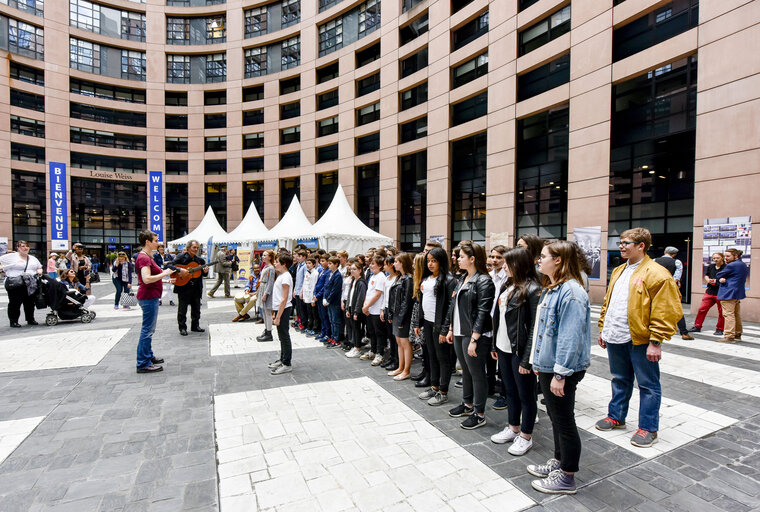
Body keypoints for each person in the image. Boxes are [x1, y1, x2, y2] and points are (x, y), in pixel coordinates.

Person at [596, 228, 682, 448]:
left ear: (641, 245)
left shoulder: (657, 273)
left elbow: (665, 310)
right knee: (619, 379)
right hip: (616, 336)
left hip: (641, 340)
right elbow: (609, 302)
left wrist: (656, 341)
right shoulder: (618, 271)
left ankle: (648, 428)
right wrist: (604, 329)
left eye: (626, 243)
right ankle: (616, 416)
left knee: (648, 385)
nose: (621, 246)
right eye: (620, 242)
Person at [527, 241, 591, 495]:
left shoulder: (572, 292)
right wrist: (538, 362)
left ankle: (567, 475)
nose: (538, 261)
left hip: (562, 368)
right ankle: (559, 461)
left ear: (559, 261)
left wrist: (560, 374)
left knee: (564, 420)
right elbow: (543, 332)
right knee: (554, 417)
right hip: (548, 365)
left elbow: (569, 337)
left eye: (543, 257)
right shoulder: (553, 288)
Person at [490, 247, 541, 456]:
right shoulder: (507, 285)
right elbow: (499, 319)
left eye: (508, 263)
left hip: (520, 351)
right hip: (503, 347)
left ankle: (526, 435)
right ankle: (513, 427)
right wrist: (495, 344)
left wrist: (527, 359)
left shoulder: (533, 289)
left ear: (519, 264)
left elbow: (534, 329)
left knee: (526, 395)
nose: (504, 266)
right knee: (509, 390)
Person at [446, 241, 496, 430]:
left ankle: (479, 413)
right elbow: (455, 307)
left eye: (461, 257)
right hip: (460, 331)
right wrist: (451, 328)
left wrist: (475, 339)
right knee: (465, 371)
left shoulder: (484, 281)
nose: (458, 259)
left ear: (473, 259)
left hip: (474, 334)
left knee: (477, 373)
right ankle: (467, 404)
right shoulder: (463, 278)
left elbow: (483, 312)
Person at [415, 247, 458, 402]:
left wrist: (445, 329)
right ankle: (434, 386)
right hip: (427, 322)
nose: (430, 264)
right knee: (431, 356)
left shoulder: (448, 280)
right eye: (428, 261)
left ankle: (443, 391)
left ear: (441, 262)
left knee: (443, 358)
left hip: (439, 325)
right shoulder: (426, 279)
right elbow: (421, 302)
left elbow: (450, 307)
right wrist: (419, 322)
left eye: (434, 261)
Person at [135, 230, 181, 374]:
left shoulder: (148, 256)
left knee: (149, 329)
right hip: (148, 297)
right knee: (147, 330)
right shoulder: (144, 258)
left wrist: (166, 279)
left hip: (150, 295)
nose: (158, 243)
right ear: (147, 242)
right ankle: (143, 363)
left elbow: (150, 277)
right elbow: (147, 279)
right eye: (155, 240)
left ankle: (148, 356)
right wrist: (165, 273)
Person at [654, 247, 694, 340]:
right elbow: (676, 277)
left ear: (664, 252)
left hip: (656, 287)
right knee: (677, 309)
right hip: (669, 288)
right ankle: (684, 333)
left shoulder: (654, 260)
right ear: (674, 254)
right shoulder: (677, 262)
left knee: (653, 307)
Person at [0, 240, 43, 327]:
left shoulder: (33, 258)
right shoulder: (12, 257)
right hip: (16, 283)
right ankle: (14, 321)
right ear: (18, 248)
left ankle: (30, 319)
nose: (25, 248)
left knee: (30, 303)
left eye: (27, 246)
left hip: (30, 284)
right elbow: (1, 261)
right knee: (15, 303)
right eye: (22, 246)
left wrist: (39, 271)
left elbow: (39, 267)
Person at [173, 240, 208, 336]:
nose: (196, 249)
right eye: (194, 247)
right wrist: (180, 270)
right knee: (182, 309)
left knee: (196, 308)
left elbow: (203, 275)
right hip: (184, 287)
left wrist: (205, 271)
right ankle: (182, 328)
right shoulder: (181, 257)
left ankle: (195, 326)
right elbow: (170, 266)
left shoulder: (200, 261)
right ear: (188, 248)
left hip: (196, 288)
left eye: (197, 247)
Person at [388, 253, 413, 378]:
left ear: (402, 263)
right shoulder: (400, 277)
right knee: (399, 342)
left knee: (405, 342)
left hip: (403, 315)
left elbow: (407, 301)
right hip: (397, 314)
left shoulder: (408, 279)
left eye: (396, 261)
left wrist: (402, 318)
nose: (394, 264)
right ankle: (401, 367)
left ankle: (406, 370)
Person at [269, 253, 295, 375]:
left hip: (284, 309)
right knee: (281, 336)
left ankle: (287, 363)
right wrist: (275, 313)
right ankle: (282, 359)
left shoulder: (286, 277)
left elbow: (284, 299)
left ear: (284, 264)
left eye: (277, 262)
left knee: (284, 337)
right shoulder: (281, 275)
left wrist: (278, 316)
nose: (275, 263)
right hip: (279, 309)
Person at [716, 248, 748, 343]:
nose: (725, 258)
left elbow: (718, 274)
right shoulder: (742, 264)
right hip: (737, 292)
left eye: (728, 256)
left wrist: (722, 277)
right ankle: (738, 333)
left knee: (728, 314)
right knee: (736, 314)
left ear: (736, 256)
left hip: (728, 292)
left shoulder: (732, 265)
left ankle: (729, 336)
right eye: (725, 256)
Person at [689, 252, 725, 335]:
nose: (715, 259)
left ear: (722, 258)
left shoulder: (726, 267)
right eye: (714, 258)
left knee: (721, 312)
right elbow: (706, 275)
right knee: (702, 309)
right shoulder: (711, 266)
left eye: (717, 258)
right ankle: (697, 326)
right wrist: (707, 279)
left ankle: (720, 329)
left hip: (720, 292)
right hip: (710, 291)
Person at [361, 255, 387, 362]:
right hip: (370, 309)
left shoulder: (381, 276)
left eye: (373, 264)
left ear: (380, 266)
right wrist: (365, 306)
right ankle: (373, 350)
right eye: (370, 263)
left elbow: (377, 294)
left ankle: (379, 353)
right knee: (371, 331)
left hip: (376, 310)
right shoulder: (372, 276)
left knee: (379, 332)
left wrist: (367, 306)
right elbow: (368, 293)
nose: (370, 266)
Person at [411, 253, 431, 386]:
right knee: (424, 348)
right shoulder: (419, 279)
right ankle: (425, 372)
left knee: (429, 350)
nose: (412, 265)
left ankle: (429, 376)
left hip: (425, 317)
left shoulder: (425, 279)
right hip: (420, 316)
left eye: (414, 263)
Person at [380, 256, 400, 367]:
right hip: (387, 308)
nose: (384, 267)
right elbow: (384, 295)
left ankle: (396, 359)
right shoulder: (387, 279)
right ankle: (392, 357)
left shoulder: (397, 278)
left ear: (391, 265)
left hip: (393, 310)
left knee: (394, 336)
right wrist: (382, 309)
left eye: (385, 264)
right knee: (389, 335)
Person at [346, 261, 368, 358]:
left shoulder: (361, 282)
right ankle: (355, 346)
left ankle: (358, 348)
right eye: (351, 269)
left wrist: (356, 311)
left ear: (360, 270)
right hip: (351, 307)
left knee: (357, 329)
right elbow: (349, 296)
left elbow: (360, 297)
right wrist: (347, 308)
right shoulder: (353, 281)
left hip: (356, 309)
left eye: (354, 269)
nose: (352, 271)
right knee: (353, 328)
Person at [323, 256, 344, 348]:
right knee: (331, 320)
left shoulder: (338, 275)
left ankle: (336, 339)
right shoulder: (329, 273)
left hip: (334, 301)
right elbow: (326, 287)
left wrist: (328, 300)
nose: (329, 265)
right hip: (329, 300)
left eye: (331, 263)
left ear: (336, 264)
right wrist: (324, 297)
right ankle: (332, 337)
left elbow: (335, 290)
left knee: (335, 321)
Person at [256, 250, 276, 342]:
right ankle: (266, 329)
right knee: (264, 311)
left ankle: (269, 332)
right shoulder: (265, 266)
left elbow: (270, 282)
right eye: (263, 255)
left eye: (265, 255)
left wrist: (266, 293)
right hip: (262, 287)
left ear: (270, 257)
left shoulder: (271, 268)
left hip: (266, 290)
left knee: (267, 312)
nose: (263, 257)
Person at [302, 257, 319, 335]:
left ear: (314, 264)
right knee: (309, 313)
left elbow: (313, 286)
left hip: (312, 297)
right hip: (307, 296)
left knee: (314, 314)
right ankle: (309, 327)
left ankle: (315, 328)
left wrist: (313, 299)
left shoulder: (315, 273)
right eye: (306, 263)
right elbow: (305, 284)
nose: (307, 265)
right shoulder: (307, 272)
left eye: (309, 263)